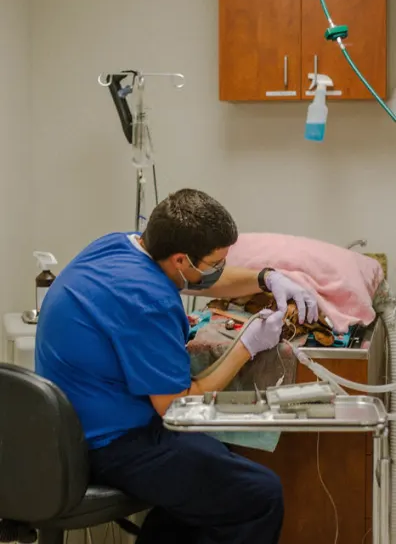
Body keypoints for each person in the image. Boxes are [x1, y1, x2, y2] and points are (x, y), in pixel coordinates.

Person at [35, 188, 318, 544]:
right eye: (216, 263)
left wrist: (266, 277)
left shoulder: (119, 245)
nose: (220, 270)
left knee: (217, 463)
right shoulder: (147, 300)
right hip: (108, 444)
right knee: (259, 494)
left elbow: (200, 282)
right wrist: (247, 345)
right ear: (182, 260)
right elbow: (179, 406)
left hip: (65, 429)